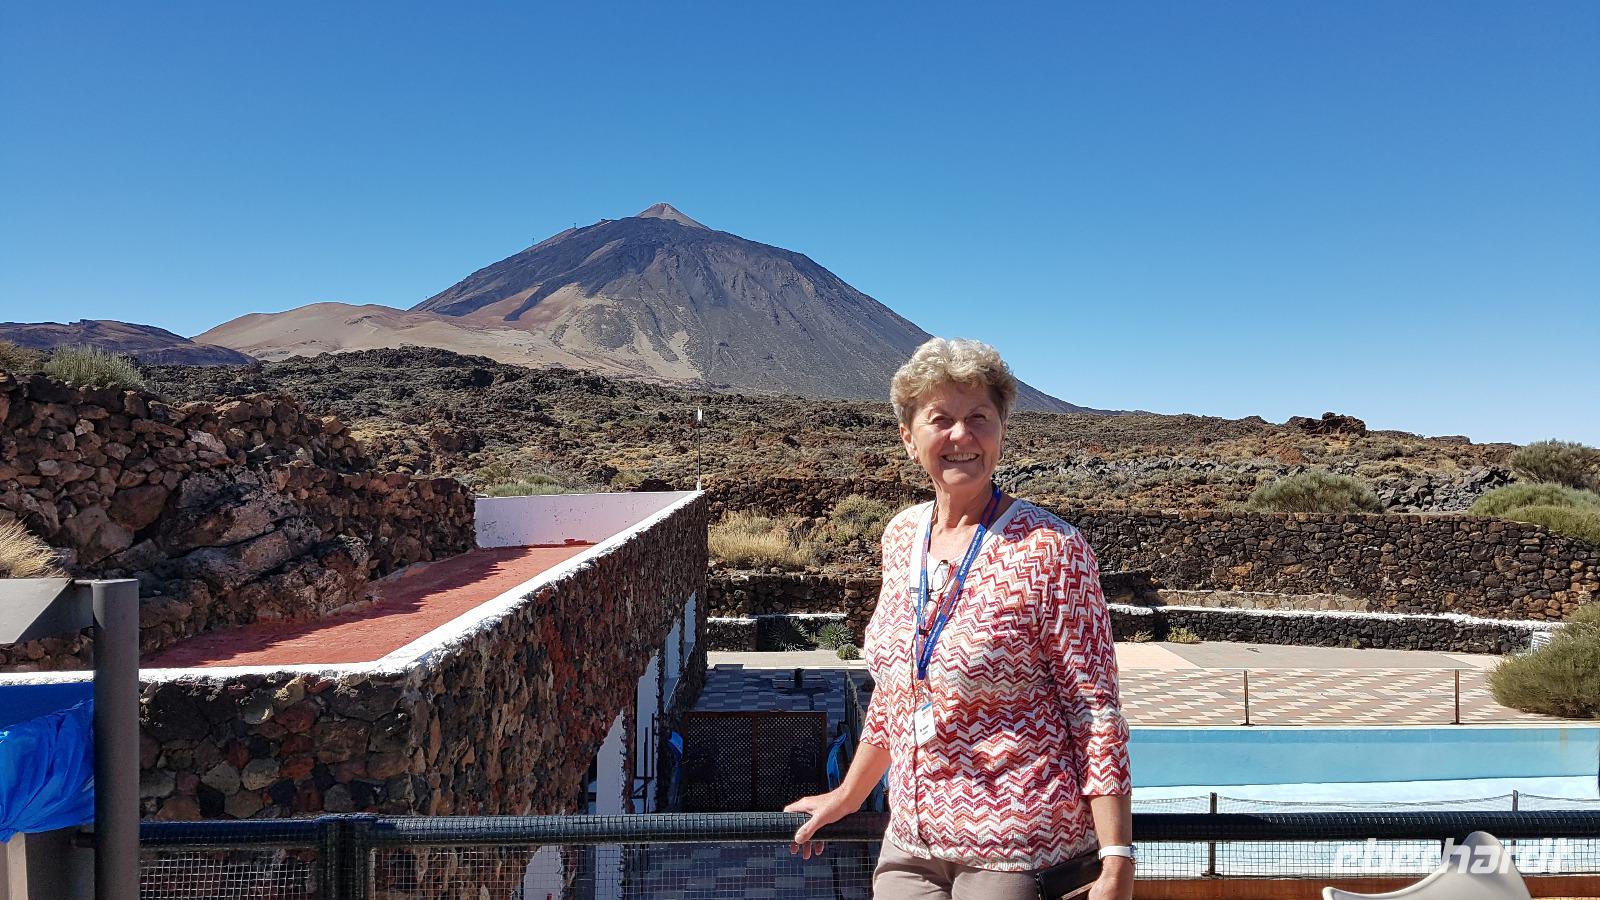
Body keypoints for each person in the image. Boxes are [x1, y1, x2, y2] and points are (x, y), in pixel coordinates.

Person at [785, 338, 1134, 900]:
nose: (960, 436)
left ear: (1001, 431)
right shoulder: (901, 536)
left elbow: (1093, 708)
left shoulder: (1051, 548)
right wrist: (849, 795)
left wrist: (1117, 857)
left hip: (1017, 848)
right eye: (940, 418)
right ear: (908, 436)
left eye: (978, 418)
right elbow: (897, 695)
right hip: (910, 845)